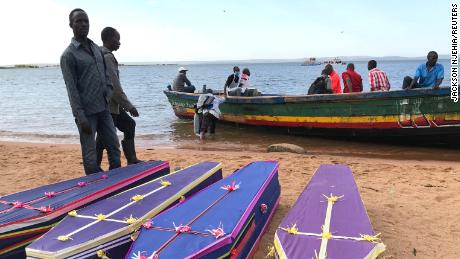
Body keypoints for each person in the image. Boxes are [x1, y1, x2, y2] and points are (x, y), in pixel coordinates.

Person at [60, 9, 120, 175]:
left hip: (104, 108)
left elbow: (106, 75)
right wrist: (80, 116)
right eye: (79, 21)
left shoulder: (95, 48)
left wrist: (108, 93)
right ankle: (94, 188)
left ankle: (117, 183)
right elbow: (71, 89)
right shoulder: (68, 55)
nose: (83, 24)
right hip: (87, 114)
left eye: (86, 21)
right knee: (90, 156)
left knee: (114, 148)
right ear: (71, 25)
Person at [95, 27, 142, 166]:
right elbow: (114, 87)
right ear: (109, 39)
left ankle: (131, 159)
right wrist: (129, 106)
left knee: (128, 125)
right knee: (104, 139)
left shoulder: (100, 54)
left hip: (107, 103)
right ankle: (95, 167)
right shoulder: (107, 57)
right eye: (117, 39)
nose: (119, 42)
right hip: (108, 105)